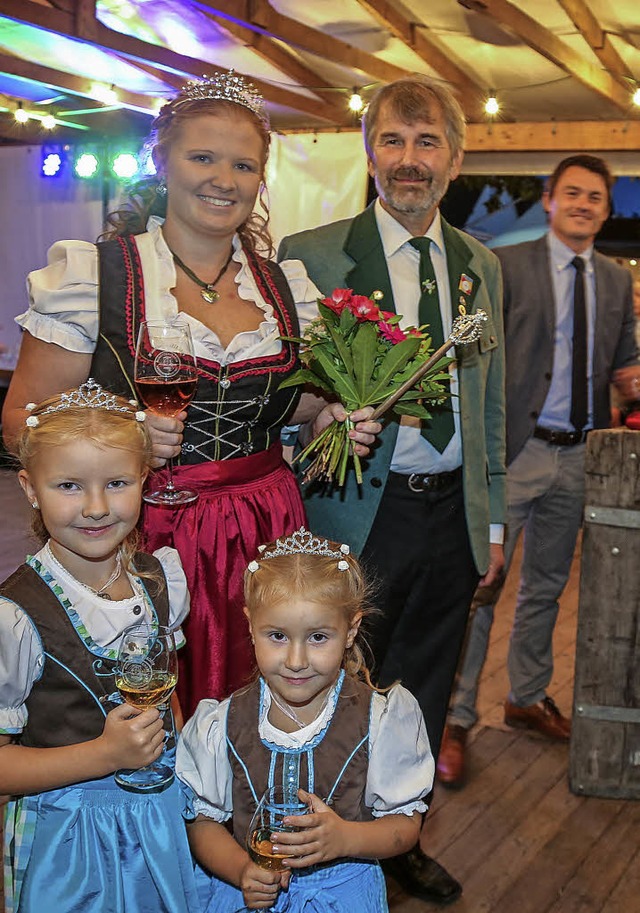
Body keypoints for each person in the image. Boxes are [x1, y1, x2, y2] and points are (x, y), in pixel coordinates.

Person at [1, 71, 378, 718]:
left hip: (268, 526)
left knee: (260, 718)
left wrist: (335, 419)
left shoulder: (288, 290)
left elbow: (299, 409)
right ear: (162, 160)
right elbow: (19, 422)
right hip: (144, 533)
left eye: (242, 165)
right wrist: (119, 439)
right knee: (146, 715)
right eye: (202, 157)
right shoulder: (97, 274)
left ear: (261, 179)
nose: (222, 180)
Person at [278, 75, 506, 904]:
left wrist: (496, 519)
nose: (410, 161)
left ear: (454, 155)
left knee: (424, 688)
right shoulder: (311, 256)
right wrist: (322, 422)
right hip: (356, 513)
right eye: (393, 142)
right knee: (336, 685)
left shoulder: (481, 265)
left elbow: (489, 404)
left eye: (427, 142)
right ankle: (321, 842)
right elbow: (282, 400)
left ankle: (400, 838)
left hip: (451, 518)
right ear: (369, 152)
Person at [438, 154, 640, 788]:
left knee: (548, 586)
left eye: (595, 198)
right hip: (515, 452)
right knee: (482, 584)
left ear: (607, 209)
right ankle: (456, 715)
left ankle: (525, 695)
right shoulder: (508, 268)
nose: (583, 205)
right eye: (572, 194)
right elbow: (471, 354)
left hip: (582, 456)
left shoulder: (613, 279)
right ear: (550, 200)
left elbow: (625, 365)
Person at [0, 380, 200, 913]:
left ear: (144, 479)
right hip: (71, 841)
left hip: (162, 823)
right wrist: (103, 754)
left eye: (116, 483)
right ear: (29, 488)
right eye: (68, 486)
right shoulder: (16, 617)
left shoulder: (159, 578)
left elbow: (169, 698)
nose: (95, 507)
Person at [176, 527, 433, 912]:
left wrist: (346, 839)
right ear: (250, 625)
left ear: (351, 630)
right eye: (277, 636)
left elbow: (405, 827)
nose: (296, 661)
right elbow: (202, 822)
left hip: (341, 895)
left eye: (317, 637)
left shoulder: (382, 718)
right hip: (250, 894)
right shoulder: (223, 722)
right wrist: (241, 870)